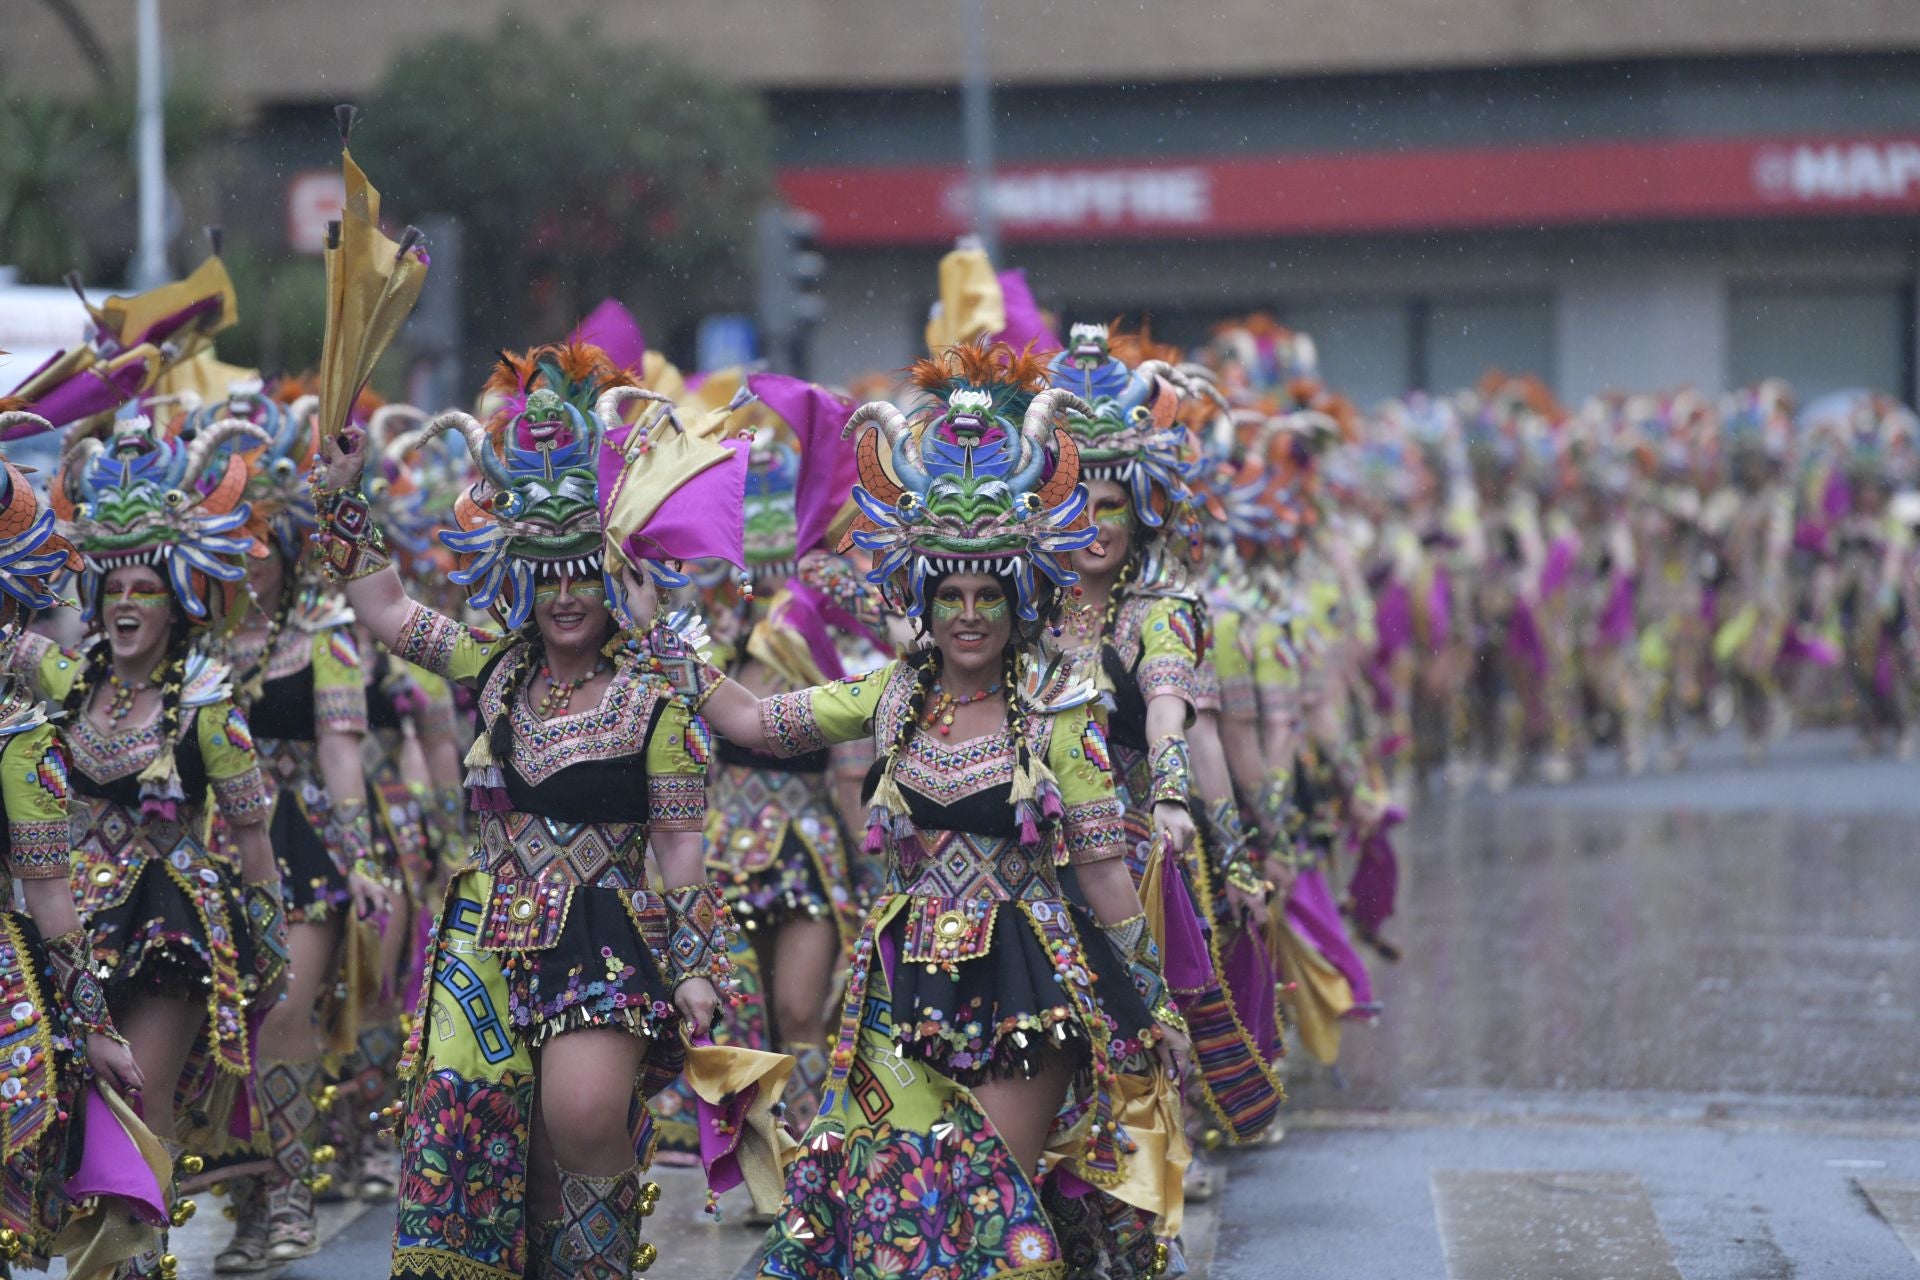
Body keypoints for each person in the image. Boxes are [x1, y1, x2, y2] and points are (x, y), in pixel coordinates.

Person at [690, 344, 1192, 1279]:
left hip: (1026, 988)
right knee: (895, 1213)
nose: (968, 615)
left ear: (1019, 597)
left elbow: (1100, 872)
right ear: (924, 596)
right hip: (901, 984)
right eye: (950, 595)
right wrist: (663, 655)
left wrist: (1148, 1003)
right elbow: (758, 718)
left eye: (988, 596)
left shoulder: (1059, 706)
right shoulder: (890, 694)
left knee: (989, 1216)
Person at [311, 342, 746, 1280]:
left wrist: (697, 967)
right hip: (489, 936)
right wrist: (344, 498)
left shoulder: (656, 700)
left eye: (585, 572)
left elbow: (678, 845)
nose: (565, 595)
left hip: (603, 933)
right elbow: (387, 614)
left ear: (618, 576)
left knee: (582, 1121)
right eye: (546, 573)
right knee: (503, 1162)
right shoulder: (494, 665)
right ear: (518, 573)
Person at [21, 411, 288, 1280]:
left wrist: (269, 950)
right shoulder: (68, 681)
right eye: (114, 588)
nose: (127, 604)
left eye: (146, 587)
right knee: (63, 1117)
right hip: (65, 927)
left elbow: (252, 835)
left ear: (176, 596)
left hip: (166, 928)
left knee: (138, 1106)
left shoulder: (209, 705)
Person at [189, 383, 392, 1269]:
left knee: (279, 1018)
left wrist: (364, 856)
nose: (253, 556)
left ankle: (290, 1199)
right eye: (239, 540)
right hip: (203, 850)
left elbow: (345, 756)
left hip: (300, 842)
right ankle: (239, 1199)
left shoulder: (329, 635)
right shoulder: (190, 639)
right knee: (212, 1030)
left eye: (266, 539)